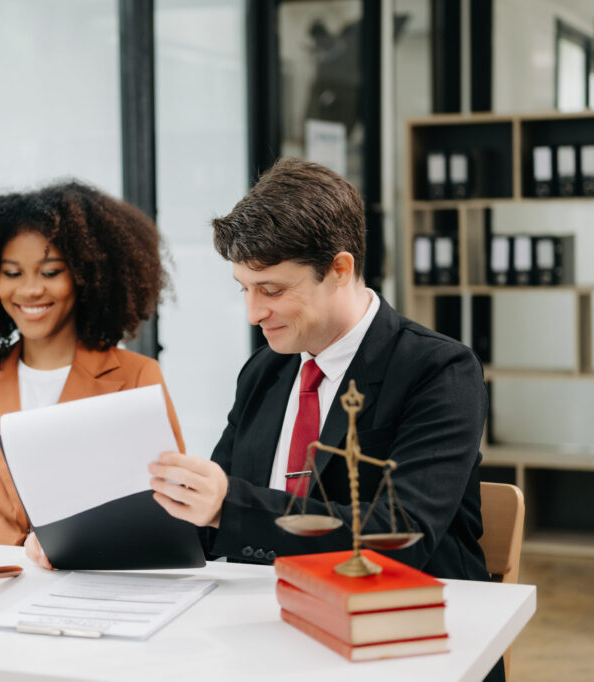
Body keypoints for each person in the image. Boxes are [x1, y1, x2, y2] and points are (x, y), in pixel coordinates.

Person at [148, 157, 491, 583]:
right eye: (245, 290)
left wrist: (229, 505)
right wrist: (88, 541)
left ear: (339, 269)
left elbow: (401, 536)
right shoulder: (263, 371)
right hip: (269, 612)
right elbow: (209, 525)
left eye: (271, 290)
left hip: (404, 618)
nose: (253, 314)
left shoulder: (439, 370)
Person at [0, 180, 184, 551]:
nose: (30, 290)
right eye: (12, 273)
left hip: (92, 592)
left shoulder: (137, 377)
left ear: (85, 277)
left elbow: (168, 509)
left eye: (50, 272)